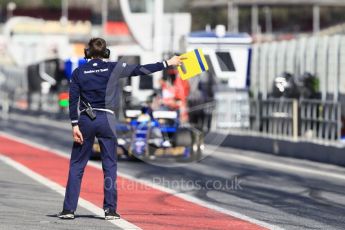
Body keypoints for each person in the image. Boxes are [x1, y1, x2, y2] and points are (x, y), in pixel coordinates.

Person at [58, 38, 184, 220]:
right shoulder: (113, 68)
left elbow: (72, 100)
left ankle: (69, 210)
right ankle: (110, 210)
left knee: (77, 165)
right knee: (109, 165)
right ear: (106, 53)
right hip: (107, 119)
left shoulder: (79, 72)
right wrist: (168, 63)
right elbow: (141, 70)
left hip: (86, 119)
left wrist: (74, 125)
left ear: (87, 53)